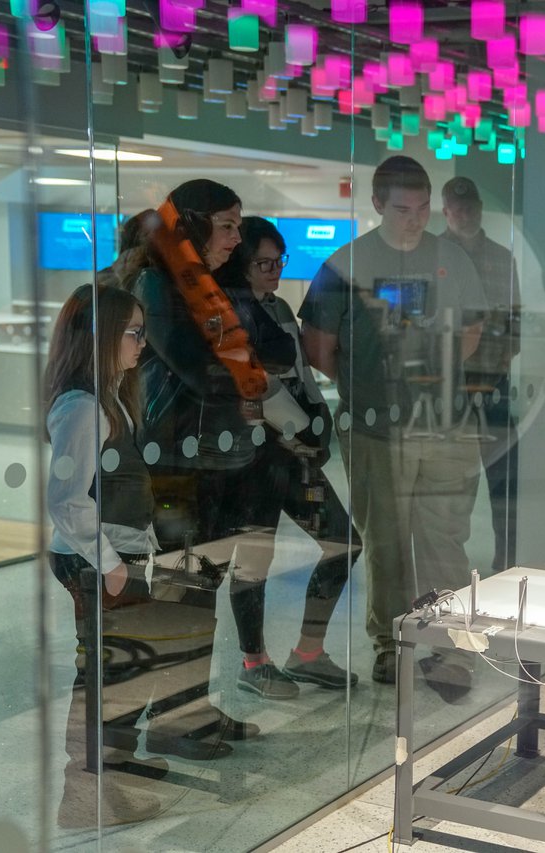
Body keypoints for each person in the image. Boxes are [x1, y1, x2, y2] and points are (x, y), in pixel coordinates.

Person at [299, 156, 487, 688]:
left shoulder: (452, 260)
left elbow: (472, 332)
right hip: (377, 428)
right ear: (378, 205)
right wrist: (369, 387)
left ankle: (450, 644)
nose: (415, 218)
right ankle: (391, 642)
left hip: (445, 424)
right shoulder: (346, 265)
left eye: (424, 207)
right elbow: (318, 348)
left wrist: (436, 376)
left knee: (444, 539)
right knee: (385, 540)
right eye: (403, 209)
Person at [128, 179, 296, 713]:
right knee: (185, 590)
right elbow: (200, 373)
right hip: (176, 460)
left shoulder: (217, 286)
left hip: (224, 455)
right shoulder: (158, 284)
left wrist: (246, 371)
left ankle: (198, 709)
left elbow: (274, 347)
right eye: (226, 225)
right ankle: (178, 715)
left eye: (238, 226)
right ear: (192, 225)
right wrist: (248, 375)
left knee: (215, 580)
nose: (235, 238)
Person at [213, 216, 359, 692]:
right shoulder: (226, 314)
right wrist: (295, 427)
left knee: (344, 542)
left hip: (292, 455)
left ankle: (308, 652)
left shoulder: (276, 310)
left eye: (280, 261)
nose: (274, 270)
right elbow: (250, 386)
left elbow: (299, 374)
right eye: (263, 262)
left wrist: (313, 427)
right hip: (251, 457)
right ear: (242, 265)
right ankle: (254, 663)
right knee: (255, 558)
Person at [45, 284, 162, 827]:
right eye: (133, 332)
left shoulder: (109, 398)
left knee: (121, 671)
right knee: (105, 676)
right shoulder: (84, 407)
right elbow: (67, 501)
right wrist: (112, 564)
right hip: (98, 560)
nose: (141, 343)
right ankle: (85, 791)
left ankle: (111, 777)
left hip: (115, 554)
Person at [440, 177, 521, 574]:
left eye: (470, 207)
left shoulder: (502, 259)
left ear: (479, 209)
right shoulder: (429, 254)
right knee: (449, 481)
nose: (464, 214)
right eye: (457, 209)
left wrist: (500, 360)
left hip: (492, 381)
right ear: (445, 212)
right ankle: (447, 565)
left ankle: (507, 558)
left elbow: (516, 323)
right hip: (444, 386)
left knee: (505, 476)